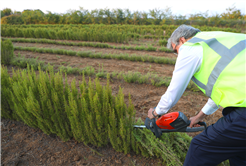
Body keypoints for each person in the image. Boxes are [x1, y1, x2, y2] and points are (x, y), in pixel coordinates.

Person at [147, 24, 246, 166]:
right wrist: (199, 116)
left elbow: (174, 89)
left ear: (182, 40)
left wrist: (156, 112)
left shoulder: (190, 47)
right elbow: (221, 91)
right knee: (240, 154)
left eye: (176, 50)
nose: (177, 56)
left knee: (199, 148)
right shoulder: (217, 39)